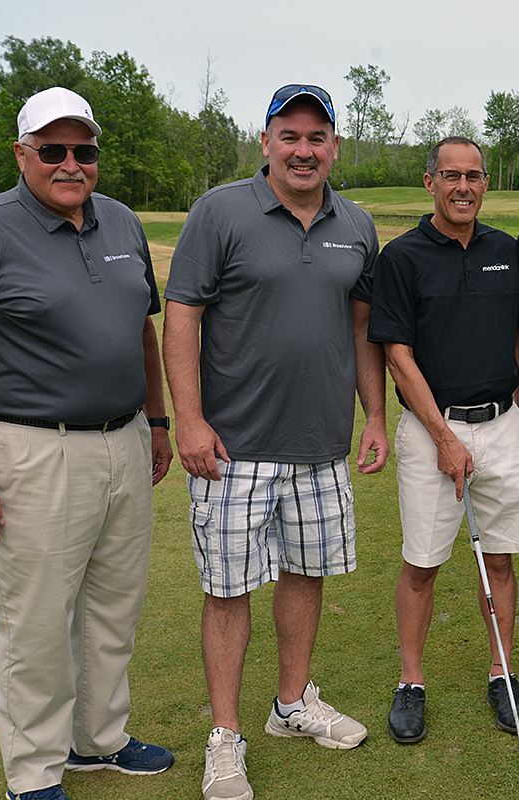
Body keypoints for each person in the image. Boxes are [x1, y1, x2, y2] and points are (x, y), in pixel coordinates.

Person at [0, 87, 174, 800]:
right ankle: (32, 774)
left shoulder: (121, 221)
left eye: (83, 150)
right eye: (53, 149)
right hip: (31, 450)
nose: (70, 164)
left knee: (113, 609)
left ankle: (98, 740)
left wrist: (157, 422)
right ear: (21, 153)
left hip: (123, 440)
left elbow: (141, 329)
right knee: (34, 624)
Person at [163, 83, 389, 800]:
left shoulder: (357, 224)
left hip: (320, 444)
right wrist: (189, 420)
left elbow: (362, 330)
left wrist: (375, 416)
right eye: (289, 135)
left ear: (335, 147)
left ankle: (291, 705)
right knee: (227, 590)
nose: (303, 150)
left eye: (317, 137)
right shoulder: (220, 211)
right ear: (265, 142)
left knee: (305, 572)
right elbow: (182, 315)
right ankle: (225, 736)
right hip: (232, 447)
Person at [368, 137, 519, 743]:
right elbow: (398, 356)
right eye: (450, 176)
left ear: (485, 183)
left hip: (502, 425)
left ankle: (502, 673)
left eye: (473, 176)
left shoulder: (506, 251)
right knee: (422, 563)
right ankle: (411, 682)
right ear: (430, 182)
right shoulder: (402, 257)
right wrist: (443, 436)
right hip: (429, 430)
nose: (462, 187)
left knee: (500, 559)